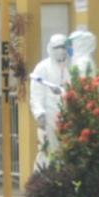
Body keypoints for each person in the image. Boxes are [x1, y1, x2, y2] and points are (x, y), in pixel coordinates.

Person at [28, 33, 70, 169]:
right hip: (49, 116)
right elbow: (36, 93)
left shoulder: (70, 66)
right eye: (57, 47)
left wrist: (63, 92)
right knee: (47, 150)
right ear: (51, 48)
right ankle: (41, 180)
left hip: (67, 116)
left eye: (63, 47)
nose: (61, 50)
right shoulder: (42, 67)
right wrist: (39, 114)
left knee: (64, 151)